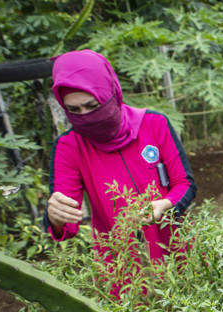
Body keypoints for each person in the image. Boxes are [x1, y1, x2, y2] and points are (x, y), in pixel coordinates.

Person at [45, 49, 197, 296]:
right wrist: (55, 216)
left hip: (175, 248)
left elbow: (185, 184)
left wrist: (165, 205)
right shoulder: (69, 146)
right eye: (74, 111)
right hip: (124, 267)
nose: (86, 116)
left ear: (111, 94)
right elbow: (67, 223)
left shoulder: (153, 124)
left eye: (92, 106)